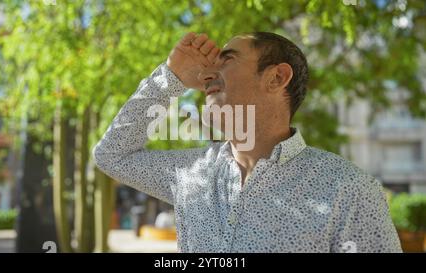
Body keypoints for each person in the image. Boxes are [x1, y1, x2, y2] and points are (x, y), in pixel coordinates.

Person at [93, 32, 402, 252]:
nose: (208, 72)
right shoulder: (190, 174)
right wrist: (170, 78)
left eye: (226, 59)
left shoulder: (349, 190)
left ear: (277, 78)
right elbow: (111, 155)